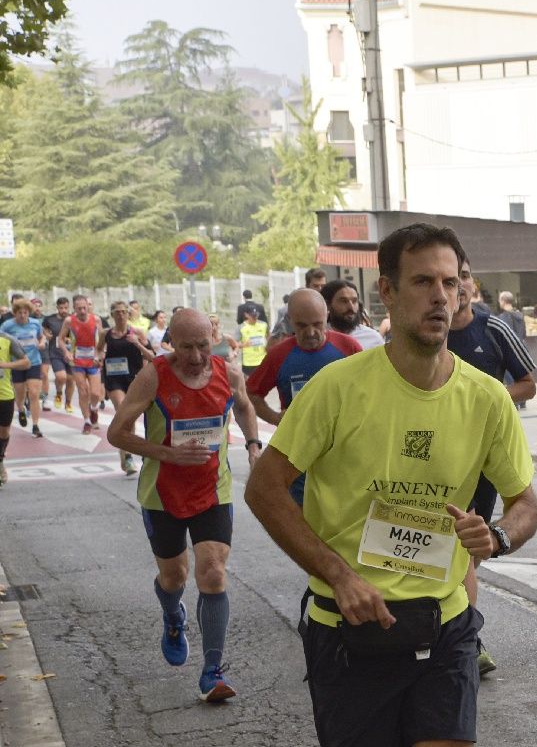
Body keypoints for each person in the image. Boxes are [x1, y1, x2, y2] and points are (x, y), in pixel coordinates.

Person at [244, 222, 537, 747]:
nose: (440, 296)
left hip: (443, 624)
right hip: (349, 629)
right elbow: (267, 489)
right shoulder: (339, 389)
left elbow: (524, 499)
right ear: (388, 293)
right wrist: (337, 573)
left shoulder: (482, 399)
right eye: (423, 282)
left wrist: (501, 534)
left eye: (452, 282)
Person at [106, 308, 262, 704]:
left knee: (213, 572)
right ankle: (173, 616)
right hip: (162, 493)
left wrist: (253, 444)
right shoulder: (154, 375)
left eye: (203, 346)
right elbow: (117, 433)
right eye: (186, 347)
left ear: (214, 338)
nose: (195, 356)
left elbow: (244, 405)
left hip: (214, 490)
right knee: (174, 577)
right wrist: (166, 454)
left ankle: (213, 671)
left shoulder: (229, 372)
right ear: (170, 342)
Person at [448, 260, 537, 675]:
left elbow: (528, 384)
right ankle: (466, 636)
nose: (458, 285)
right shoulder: (429, 333)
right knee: (450, 550)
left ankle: (462, 631)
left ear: (472, 285)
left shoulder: (494, 329)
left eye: (463, 276)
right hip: (439, 457)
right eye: (453, 278)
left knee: (467, 551)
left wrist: (492, 394)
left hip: (487, 457)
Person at [245, 288, 361, 507]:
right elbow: (252, 392)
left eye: (317, 324)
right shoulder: (279, 355)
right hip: (298, 457)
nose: (310, 333)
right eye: (301, 326)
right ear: (290, 321)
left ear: (327, 316)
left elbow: (370, 391)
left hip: (344, 454)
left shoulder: (349, 348)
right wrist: (276, 418)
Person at [98, 301, 152, 476]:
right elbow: (98, 350)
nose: (120, 315)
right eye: (117, 312)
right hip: (113, 378)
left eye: (123, 312)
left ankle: (124, 452)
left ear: (128, 314)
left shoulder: (137, 332)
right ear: (112, 315)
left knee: (129, 416)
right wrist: (99, 358)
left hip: (133, 378)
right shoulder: (105, 334)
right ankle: (128, 455)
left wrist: (137, 343)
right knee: (123, 410)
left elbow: (150, 355)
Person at [1, 297, 47, 439]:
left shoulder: (34, 324)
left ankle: (35, 425)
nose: (22, 315)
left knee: (34, 393)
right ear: (15, 313)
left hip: (34, 362)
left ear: (29, 313)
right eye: (20, 312)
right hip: (17, 364)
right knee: (20, 393)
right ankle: (20, 409)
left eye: (25, 312)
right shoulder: (8, 325)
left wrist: (42, 343)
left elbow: (42, 336)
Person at [59, 294, 105, 432]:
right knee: (83, 391)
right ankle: (86, 421)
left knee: (96, 393)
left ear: (88, 306)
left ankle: (94, 409)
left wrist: (101, 354)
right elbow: (60, 339)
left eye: (84, 308)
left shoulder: (96, 319)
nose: (83, 311)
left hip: (93, 360)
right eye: (79, 309)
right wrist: (66, 352)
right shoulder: (69, 321)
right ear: (74, 309)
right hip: (77, 360)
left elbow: (102, 339)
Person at [0, 324, 33, 488]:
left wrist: (4, 365)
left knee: (4, 431)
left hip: (4, 393)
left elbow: (26, 362)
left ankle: (0, 460)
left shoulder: (7, 339)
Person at [322, 278, 384, 349]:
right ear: (328, 304)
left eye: (354, 301)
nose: (351, 307)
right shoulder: (320, 337)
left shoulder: (373, 338)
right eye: (344, 301)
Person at [271, 267, 329, 342]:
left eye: (323, 286)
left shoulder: (331, 306)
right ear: (307, 286)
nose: (320, 289)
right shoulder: (291, 309)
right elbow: (277, 339)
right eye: (316, 286)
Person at [42, 295, 69, 411]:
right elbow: (42, 329)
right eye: (61, 308)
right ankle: (59, 393)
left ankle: (68, 403)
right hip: (55, 353)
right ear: (57, 308)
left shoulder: (73, 319)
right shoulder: (49, 319)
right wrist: (46, 334)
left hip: (71, 353)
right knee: (61, 377)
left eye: (66, 308)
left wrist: (70, 340)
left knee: (71, 380)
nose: (63, 310)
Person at [239, 306, 268, 376]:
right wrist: (243, 345)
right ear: (246, 315)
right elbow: (235, 344)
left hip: (262, 360)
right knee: (249, 385)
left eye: (256, 315)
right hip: (248, 362)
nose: (255, 318)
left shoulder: (264, 325)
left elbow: (268, 338)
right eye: (252, 316)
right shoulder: (241, 327)